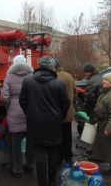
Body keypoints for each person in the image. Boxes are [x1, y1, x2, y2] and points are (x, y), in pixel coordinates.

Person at [19, 56, 70, 186]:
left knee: (39, 152)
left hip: (35, 121)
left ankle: (42, 182)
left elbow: (22, 101)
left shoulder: (28, 81)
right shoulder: (59, 83)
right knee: (53, 151)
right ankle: (52, 180)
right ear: (52, 67)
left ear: (39, 65)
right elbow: (65, 103)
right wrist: (60, 116)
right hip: (54, 122)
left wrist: (30, 113)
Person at [2, 54, 35, 177]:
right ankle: (30, 166)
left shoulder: (9, 77)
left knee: (15, 141)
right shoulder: (32, 76)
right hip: (30, 111)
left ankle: (18, 169)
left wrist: (8, 107)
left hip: (14, 111)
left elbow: (5, 97)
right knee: (31, 140)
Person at [54, 58, 77, 165]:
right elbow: (75, 93)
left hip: (57, 113)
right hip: (69, 113)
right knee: (68, 136)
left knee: (58, 137)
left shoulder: (54, 77)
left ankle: (59, 158)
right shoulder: (68, 76)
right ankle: (68, 157)